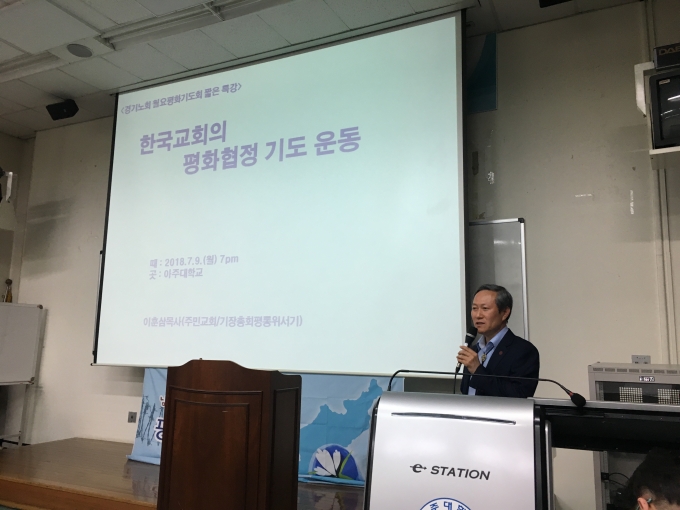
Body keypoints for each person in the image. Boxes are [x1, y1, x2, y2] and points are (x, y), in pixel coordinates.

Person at [456, 284, 540, 398]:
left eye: (485, 308)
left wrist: (477, 370)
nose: (478, 315)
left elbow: (519, 395)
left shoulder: (523, 351)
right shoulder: (474, 350)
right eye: (474, 308)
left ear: (504, 313)